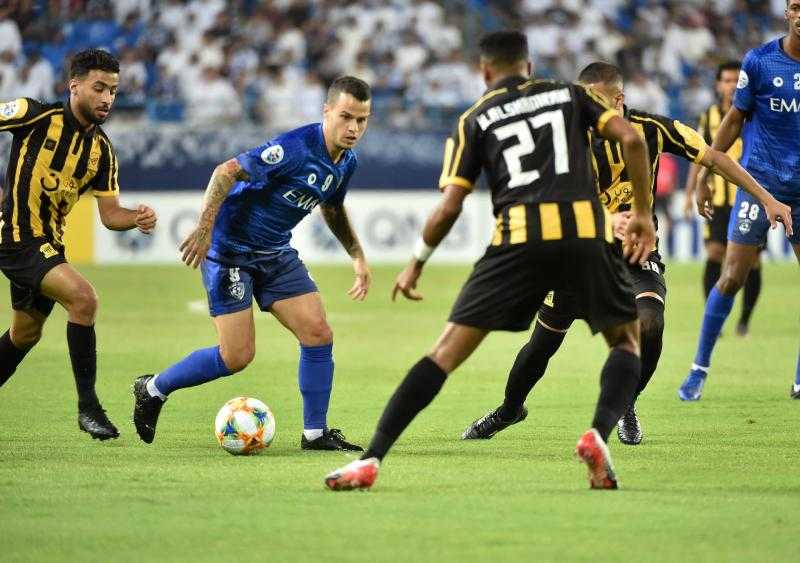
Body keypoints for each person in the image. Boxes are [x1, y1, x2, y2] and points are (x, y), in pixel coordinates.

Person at [325, 30, 657, 491]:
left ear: (484, 71)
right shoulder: (568, 94)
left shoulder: (474, 119)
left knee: (443, 355)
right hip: (584, 233)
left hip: (517, 243)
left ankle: (370, 459)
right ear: (529, 65)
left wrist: (417, 261)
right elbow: (634, 141)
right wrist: (642, 214)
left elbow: (450, 205)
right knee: (625, 343)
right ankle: (598, 435)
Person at [459, 62, 792, 446]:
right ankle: (509, 410)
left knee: (650, 322)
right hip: (575, 256)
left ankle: (626, 403)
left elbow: (715, 158)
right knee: (542, 345)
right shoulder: (564, 139)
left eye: (595, 100)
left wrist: (767, 199)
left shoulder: (653, 128)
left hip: (634, 255)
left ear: (619, 100)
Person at [132, 76, 372, 450]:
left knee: (318, 333)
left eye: (362, 120)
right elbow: (225, 171)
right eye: (346, 117)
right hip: (230, 251)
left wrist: (357, 255)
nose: (354, 127)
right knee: (237, 355)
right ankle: (153, 388)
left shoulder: (347, 162)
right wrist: (205, 228)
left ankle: (315, 433)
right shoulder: (294, 147)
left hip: (275, 253)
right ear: (326, 112)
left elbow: (333, 206)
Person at [0, 49, 157, 439]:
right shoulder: (34, 114)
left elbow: (109, 216)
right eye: (99, 88)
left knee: (25, 334)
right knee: (84, 299)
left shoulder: (102, 151)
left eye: (114, 91)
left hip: (48, 245)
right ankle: (89, 408)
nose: (107, 99)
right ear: (75, 86)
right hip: (15, 237)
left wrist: (134, 218)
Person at [679, 1, 800, 401]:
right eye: (796, 7)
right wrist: (705, 173)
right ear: (786, 12)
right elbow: (734, 119)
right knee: (730, 276)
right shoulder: (760, 61)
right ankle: (699, 368)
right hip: (759, 184)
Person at [684, 61, 763, 337]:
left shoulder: (756, 112)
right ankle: (713, 322)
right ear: (718, 85)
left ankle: (744, 322)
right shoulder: (708, 116)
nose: (731, 85)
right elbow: (698, 155)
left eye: (735, 80)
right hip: (718, 198)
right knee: (715, 253)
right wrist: (690, 190)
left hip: (751, 196)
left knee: (751, 261)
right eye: (726, 80)